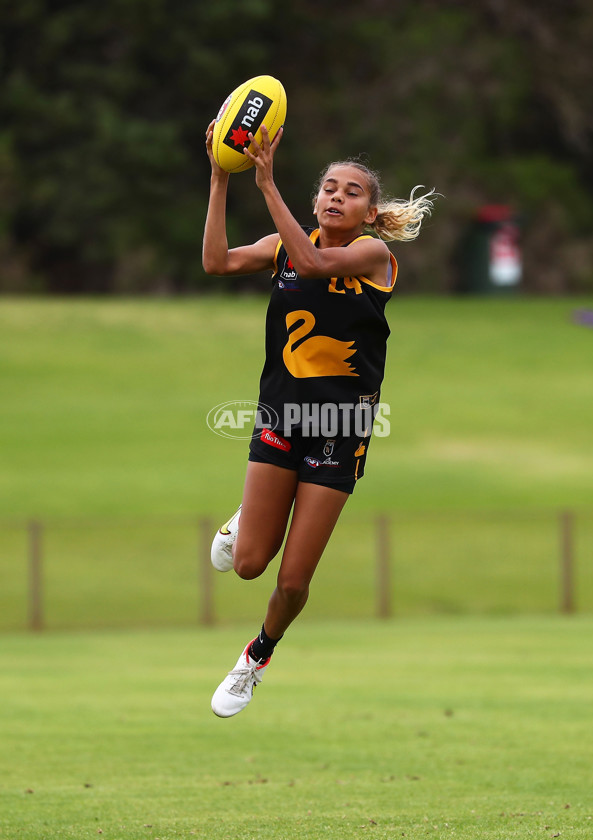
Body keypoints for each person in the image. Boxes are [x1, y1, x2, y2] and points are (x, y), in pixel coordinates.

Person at [203, 119, 434, 718]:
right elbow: (215, 263)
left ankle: (256, 657)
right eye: (329, 186)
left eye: (351, 191)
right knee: (249, 564)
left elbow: (310, 266)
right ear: (316, 200)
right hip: (281, 415)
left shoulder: (373, 255)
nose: (336, 195)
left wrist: (267, 184)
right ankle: (247, 518)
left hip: (340, 428)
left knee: (293, 583)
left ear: (369, 212)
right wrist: (220, 179)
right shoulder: (284, 244)